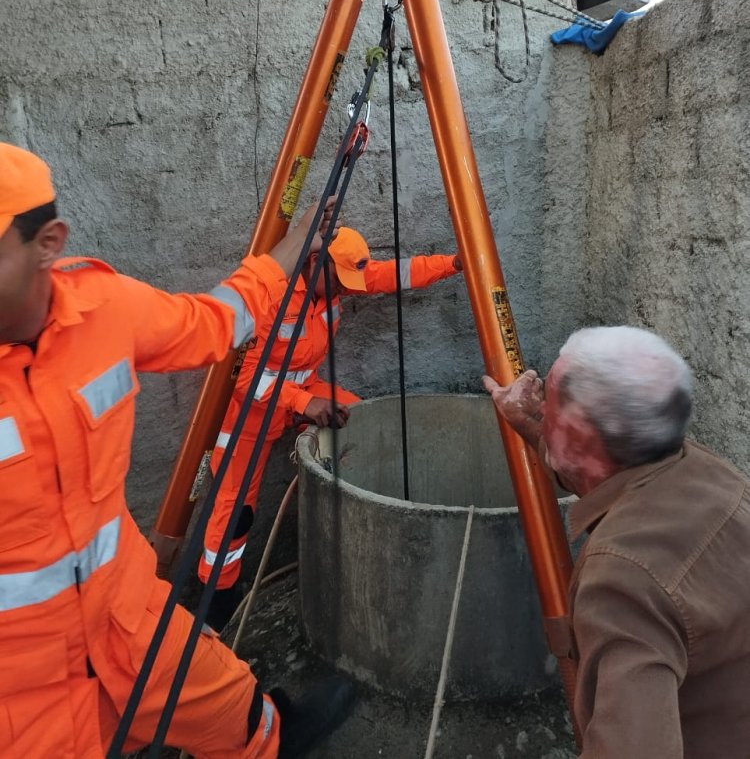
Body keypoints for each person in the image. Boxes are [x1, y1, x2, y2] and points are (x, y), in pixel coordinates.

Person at [0, 142, 354, 759]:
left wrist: (283, 257)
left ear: (48, 243)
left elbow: (214, 321)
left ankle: (272, 739)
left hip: (129, 620)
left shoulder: (104, 309)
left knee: (236, 708)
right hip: (21, 684)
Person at [483, 325, 750, 759]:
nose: (541, 407)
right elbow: (606, 471)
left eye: (549, 402)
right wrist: (535, 426)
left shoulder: (623, 580)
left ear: (579, 436)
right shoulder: (709, 473)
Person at [200, 225, 463, 629]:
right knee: (235, 515)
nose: (345, 290)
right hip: (248, 418)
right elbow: (244, 380)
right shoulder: (272, 298)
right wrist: (305, 403)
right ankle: (215, 606)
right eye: (339, 281)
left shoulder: (337, 277)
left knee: (367, 424)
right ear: (312, 262)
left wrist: (453, 263)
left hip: (304, 389)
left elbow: (393, 274)